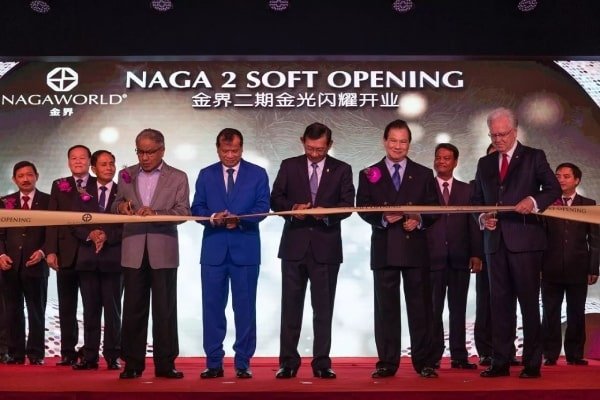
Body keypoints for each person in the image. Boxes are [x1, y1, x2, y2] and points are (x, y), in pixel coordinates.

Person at [472, 107, 560, 379]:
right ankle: (500, 361)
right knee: (499, 305)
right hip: (495, 243)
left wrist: (533, 201)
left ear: (515, 131)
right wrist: (483, 217)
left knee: (529, 304)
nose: (498, 140)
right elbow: (476, 201)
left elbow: (553, 188)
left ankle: (532, 362)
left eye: (503, 134)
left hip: (526, 242)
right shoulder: (485, 163)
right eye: (493, 135)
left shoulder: (534, 157)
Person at [270, 122, 355, 379]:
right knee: (290, 308)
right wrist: (293, 209)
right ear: (302, 141)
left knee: (323, 309)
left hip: (326, 248)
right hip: (294, 246)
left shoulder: (342, 169)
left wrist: (326, 215)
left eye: (320, 149)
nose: (314, 154)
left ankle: (321, 362)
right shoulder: (289, 166)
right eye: (310, 148)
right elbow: (275, 199)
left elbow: (347, 204)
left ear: (330, 145)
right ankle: (288, 362)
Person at [356, 119, 439, 379]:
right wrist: (381, 218)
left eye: (403, 141)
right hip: (384, 249)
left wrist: (419, 219)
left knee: (420, 308)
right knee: (386, 310)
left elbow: (435, 209)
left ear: (409, 144)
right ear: (384, 141)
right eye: (393, 140)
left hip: (415, 250)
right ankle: (387, 362)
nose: (398, 146)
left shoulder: (423, 173)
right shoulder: (369, 173)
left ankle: (424, 362)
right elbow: (362, 207)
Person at [191, 128, 270, 380]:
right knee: (212, 308)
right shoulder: (206, 174)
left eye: (234, 150)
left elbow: (263, 207)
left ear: (242, 148)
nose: (230, 155)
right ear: (217, 149)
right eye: (225, 151)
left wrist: (241, 219)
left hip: (245, 251)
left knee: (245, 309)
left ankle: (243, 362)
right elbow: (197, 208)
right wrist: (213, 217)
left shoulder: (258, 174)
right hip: (213, 251)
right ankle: (213, 362)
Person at [113, 128, 190, 379]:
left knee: (164, 310)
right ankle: (132, 364)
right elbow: (115, 204)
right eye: (140, 152)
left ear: (162, 150)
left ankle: (166, 364)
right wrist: (122, 207)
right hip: (133, 249)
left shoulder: (178, 177)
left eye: (150, 152)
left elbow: (184, 212)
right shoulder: (126, 175)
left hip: (163, 250)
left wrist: (156, 214)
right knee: (133, 308)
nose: (144, 157)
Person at [426, 143, 482, 370]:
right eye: (438, 157)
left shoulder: (467, 190)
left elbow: (474, 224)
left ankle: (459, 356)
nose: (441, 161)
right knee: (432, 310)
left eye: (446, 158)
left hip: (460, 258)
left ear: (455, 162)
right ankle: (432, 356)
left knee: (458, 309)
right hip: (431, 258)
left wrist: (476, 253)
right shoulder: (425, 188)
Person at [542, 163, 599, 366]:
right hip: (550, 267)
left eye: (566, 176)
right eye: (558, 176)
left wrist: (593, 267)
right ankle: (550, 354)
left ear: (577, 180)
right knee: (550, 311)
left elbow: (595, 240)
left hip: (578, 267)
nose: (561, 180)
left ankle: (575, 354)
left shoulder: (588, 204)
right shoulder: (547, 203)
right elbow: (540, 237)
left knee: (576, 311)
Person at [71, 150, 122, 371]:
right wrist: (90, 234)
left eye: (112, 163)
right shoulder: (82, 192)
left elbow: (129, 224)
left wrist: (107, 236)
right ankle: (90, 356)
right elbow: (73, 222)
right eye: (103, 164)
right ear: (93, 168)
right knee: (90, 311)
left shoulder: (124, 193)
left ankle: (113, 355)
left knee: (113, 311)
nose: (109, 168)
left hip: (113, 260)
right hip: (88, 260)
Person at [45, 145, 94, 366]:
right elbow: (51, 219)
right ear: (68, 162)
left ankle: (90, 350)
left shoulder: (98, 184)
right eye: (73, 158)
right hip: (65, 254)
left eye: (82, 158)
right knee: (66, 306)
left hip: (91, 253)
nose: (78, 161)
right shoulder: (59, 185)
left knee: (91, 306)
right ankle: (67, 351)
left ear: (89, 161)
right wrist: (51, 250)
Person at [474, 143, 520, 367]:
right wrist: (476, 254)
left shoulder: (517, 189)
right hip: (486, 253)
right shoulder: (477, 186)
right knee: (485, 304)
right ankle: (485, 350)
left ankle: (507, 350)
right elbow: (470, 226)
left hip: (512, 252)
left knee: (508, 304)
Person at [0, 161, 49, 365]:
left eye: (29, 174)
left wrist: (43, 252)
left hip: (36, 264)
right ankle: (15, 353)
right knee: (12, 311)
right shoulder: (5, 202)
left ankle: (36, 354)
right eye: (20, 176)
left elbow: (54, 232)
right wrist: (1, 255)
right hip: (10, 265)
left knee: (36, 311)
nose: (25, 179)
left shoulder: (48, 201)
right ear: (14, 179)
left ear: (37, 176)